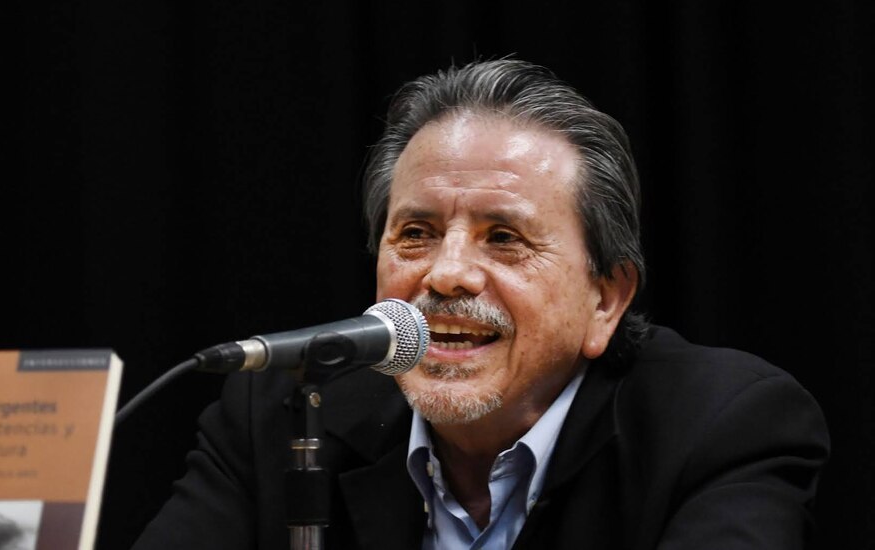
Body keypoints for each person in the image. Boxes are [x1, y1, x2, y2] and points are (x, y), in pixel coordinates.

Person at [133, 59, 829, 549]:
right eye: (416, 233)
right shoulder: (278, 415)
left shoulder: (721, 427)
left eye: (504, 237)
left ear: (605, 299)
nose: (448, 273)